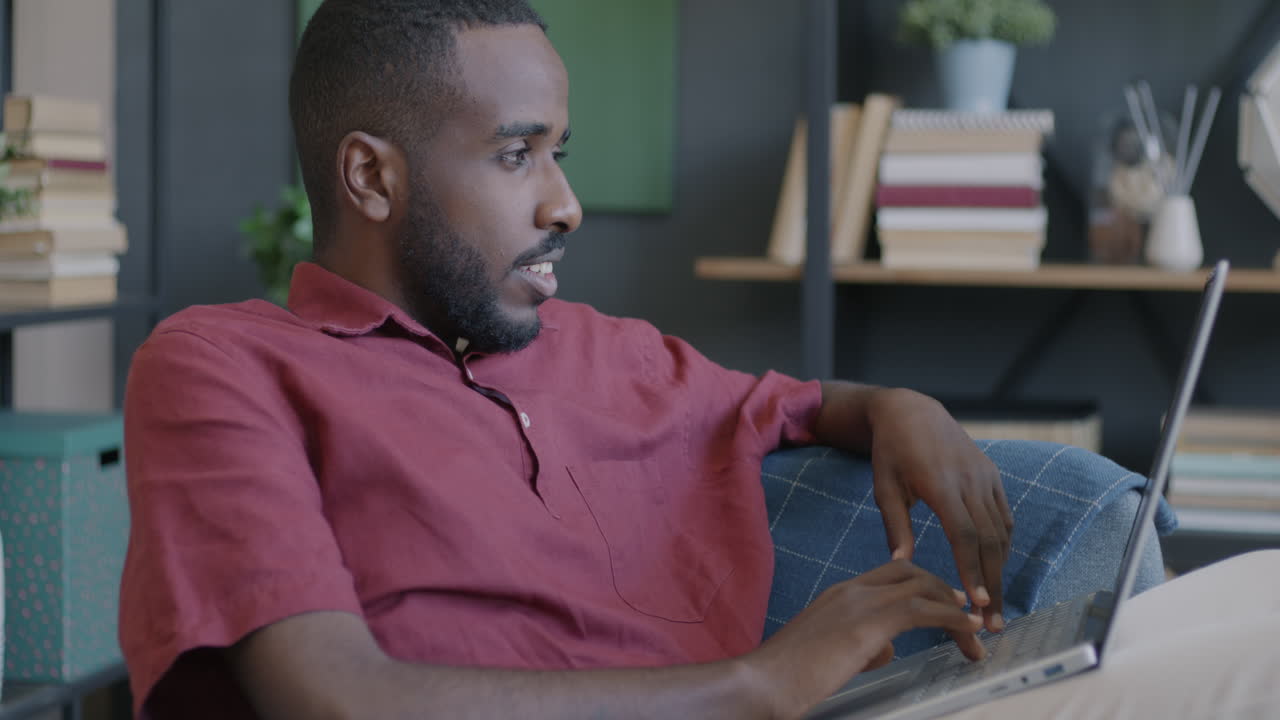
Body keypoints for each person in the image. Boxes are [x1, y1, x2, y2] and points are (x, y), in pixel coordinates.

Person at [118, 2, 1279, 719]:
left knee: (1259, 600)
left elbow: (800, 405)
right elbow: (337, 702)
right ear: (371, 178)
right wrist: (766, 683)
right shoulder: (223, 368)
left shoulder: (598, 351)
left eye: (560, 153)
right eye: (517, 155)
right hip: (761, 706)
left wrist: (896, 403)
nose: (567, 204)